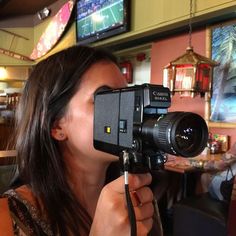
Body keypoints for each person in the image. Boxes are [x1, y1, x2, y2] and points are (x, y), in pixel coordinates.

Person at [0, 45, 158, 235]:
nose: (128, 112)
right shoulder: (10, 217)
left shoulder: (136, 199)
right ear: (56, 126)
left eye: (128, 98)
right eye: (105, 98)